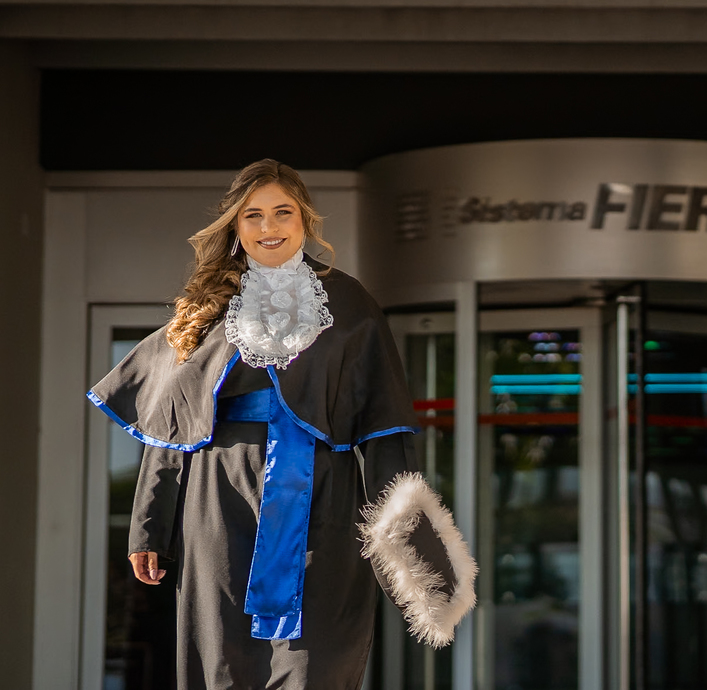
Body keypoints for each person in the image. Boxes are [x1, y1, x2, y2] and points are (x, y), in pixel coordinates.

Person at [88, 160, 475, 689]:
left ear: (305, 219)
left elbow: (384, 427)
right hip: (218, 497)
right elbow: (173, 424)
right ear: (235, 225)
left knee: (318, 662)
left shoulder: (351, 303)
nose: (268, 227)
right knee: (222, 663)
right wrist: (150, 524)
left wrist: (409, 547)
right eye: (253, 215)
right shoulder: (206, 306)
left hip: (325, 499)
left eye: (282, 212)